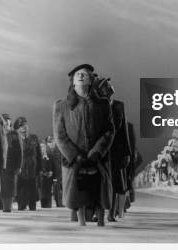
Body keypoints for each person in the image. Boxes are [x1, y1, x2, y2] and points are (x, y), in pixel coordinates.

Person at [52, 64, 115, 226]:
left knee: (99, 194)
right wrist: (75, 155)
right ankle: (82, 226)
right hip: (75, 160)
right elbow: (60, 135)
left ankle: (101, 223)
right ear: (72, 82)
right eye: (77, 74)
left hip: (98, 158)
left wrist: (97, 151)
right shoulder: (61, 105)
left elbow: (109, 131)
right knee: (77, 195)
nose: (80, 76)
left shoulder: (102, 104)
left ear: (91, 81)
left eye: (85, 74)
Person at [93, 76, 131, 221]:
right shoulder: (96, 106)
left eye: (110, 84)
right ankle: (99, 212)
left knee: (115, 182)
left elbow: (123, 132)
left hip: (116, 151)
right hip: (101, 150)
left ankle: (111, 214)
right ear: (101, 90)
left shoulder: (119, 105)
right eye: (106, 85)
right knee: (100, 182)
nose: (110, 86)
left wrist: (126, 153)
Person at [15, 117, 42, 211]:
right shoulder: (15, 139)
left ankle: (32, 206)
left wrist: (40, 169)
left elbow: (39, 155)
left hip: (32, 169)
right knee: (21, 191)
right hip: (20, 170)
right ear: (17, 129)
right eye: (21, 126)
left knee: (33, 190)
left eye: (25, 125)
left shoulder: (34, 138)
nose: (24, 128)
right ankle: (21, 205)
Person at [0, 113, 23, 212]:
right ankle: (0, 206)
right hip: (0, 165)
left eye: (8, 124)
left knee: (9, 187)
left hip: (11, 166)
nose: (7, 126)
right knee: (1, 186)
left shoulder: (15, 134)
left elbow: (20, 152)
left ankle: (7, 207)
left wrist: (19, 166)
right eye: (4, 124)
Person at [39, 140, 54, 208]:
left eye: (44, 147)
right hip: (42, 179)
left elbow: (52, 166)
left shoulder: (49, 156)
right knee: (43, 192)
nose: (43, 149)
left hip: (48, 179)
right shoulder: (39, 158)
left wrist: (51, 172)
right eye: (41, 148)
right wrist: (43, 173)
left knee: (48, 191)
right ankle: (44, 204)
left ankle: (48, 204)